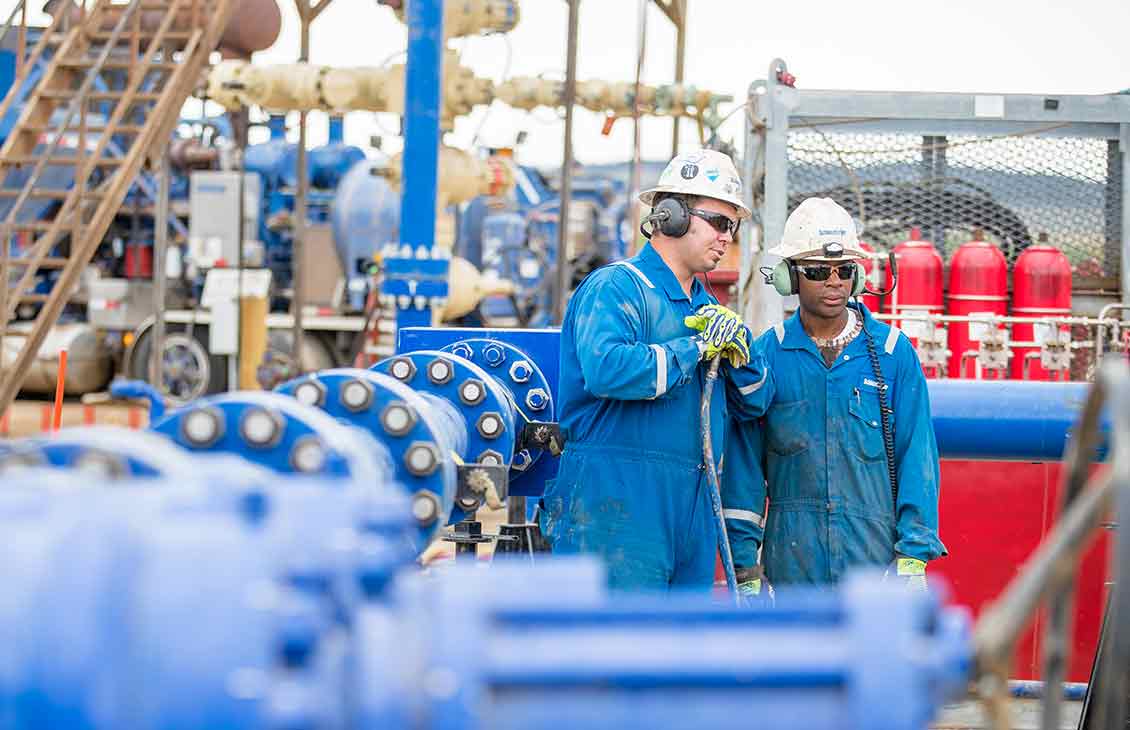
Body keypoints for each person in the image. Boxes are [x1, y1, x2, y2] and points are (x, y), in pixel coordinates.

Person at [539, 149, 773, 591]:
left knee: (678, 653)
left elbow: (755, 406)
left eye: (734, 226)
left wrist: (746, 358)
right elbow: (607, 368)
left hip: (692, 505)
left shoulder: (707, 308)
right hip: (614, 503)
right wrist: (695, 348)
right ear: (671, 216)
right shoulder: (617, 287)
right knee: (615, 650)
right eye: (719, 222)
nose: (727, 237)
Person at [723, 197, 946, 594]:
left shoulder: (894, 355)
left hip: (874, 571)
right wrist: (743, 566)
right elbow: (744, 470)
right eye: (817, 271)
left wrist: (913, 555)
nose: (834, 281)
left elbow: (918, 456)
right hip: (792, 570)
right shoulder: (765, 357)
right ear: (789, 277)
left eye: (845, 269)